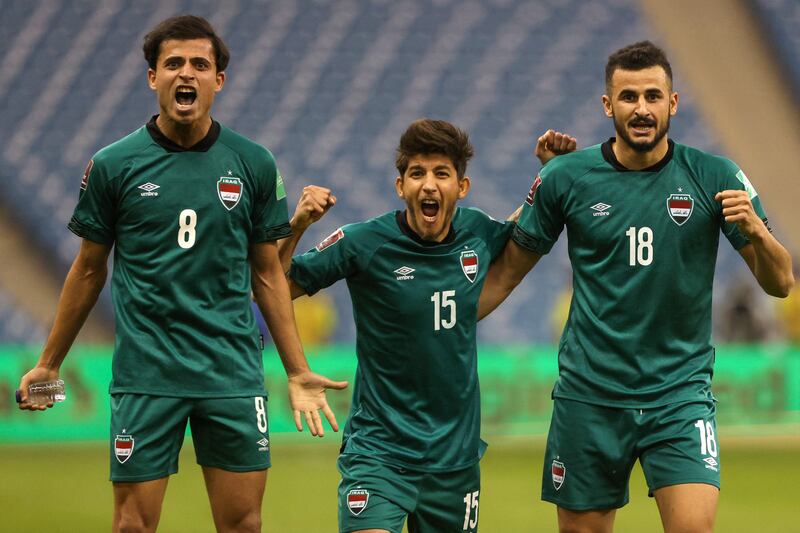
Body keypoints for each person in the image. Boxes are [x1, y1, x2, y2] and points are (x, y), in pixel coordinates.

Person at [17, 15, 346, 533]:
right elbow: (87, 270)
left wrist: (297, 370)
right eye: (172, 64)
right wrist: (49, 364)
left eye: (200, 64)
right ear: (153, 78)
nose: (185, 73)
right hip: (147, 376)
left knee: (243, 525)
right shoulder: (113, 165)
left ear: (219, 80)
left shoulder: (254, 163)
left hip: (231, 374)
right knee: (131, 526)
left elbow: (267, 276)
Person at [479, 41, 795, 533]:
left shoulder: (715, 176)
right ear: (608, 105)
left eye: (653, 95)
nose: (641, 108)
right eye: (628, 97)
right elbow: (505, 272)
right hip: (590, 395)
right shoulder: (567, 176)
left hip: (679, 394)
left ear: (673, 102)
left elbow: (781, 284)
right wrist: (444, 326)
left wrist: (757, 231)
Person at [278, 119, 573, 533]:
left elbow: (522, 229)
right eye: (417, 173)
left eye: (441, 174)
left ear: (462, 187)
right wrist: (298, 226)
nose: (429, 185)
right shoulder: (363, 242)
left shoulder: (477, 233)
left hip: (454, 459)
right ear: (401, 187)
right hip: (379, 451)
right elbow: (273, 285)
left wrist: (550, 173)